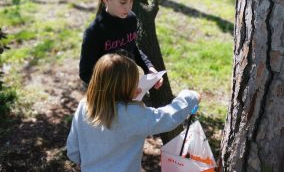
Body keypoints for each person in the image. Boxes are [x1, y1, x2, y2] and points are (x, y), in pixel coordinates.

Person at [67, 53, 201, 172]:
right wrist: (189, 97)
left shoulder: (84, 106)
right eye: (134, 84)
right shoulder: (133, 113)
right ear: (126, 88)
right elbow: (167, 117)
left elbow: (73, 150)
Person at [79, 0, 163, 89]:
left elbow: (132, 48)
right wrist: (116, 90)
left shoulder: (131, 19)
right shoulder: (94, 32)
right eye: (123, 2)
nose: (128, 7)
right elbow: (85, 73)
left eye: (131, 1)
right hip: (107, 96)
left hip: (131, 87)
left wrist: (149, 68)